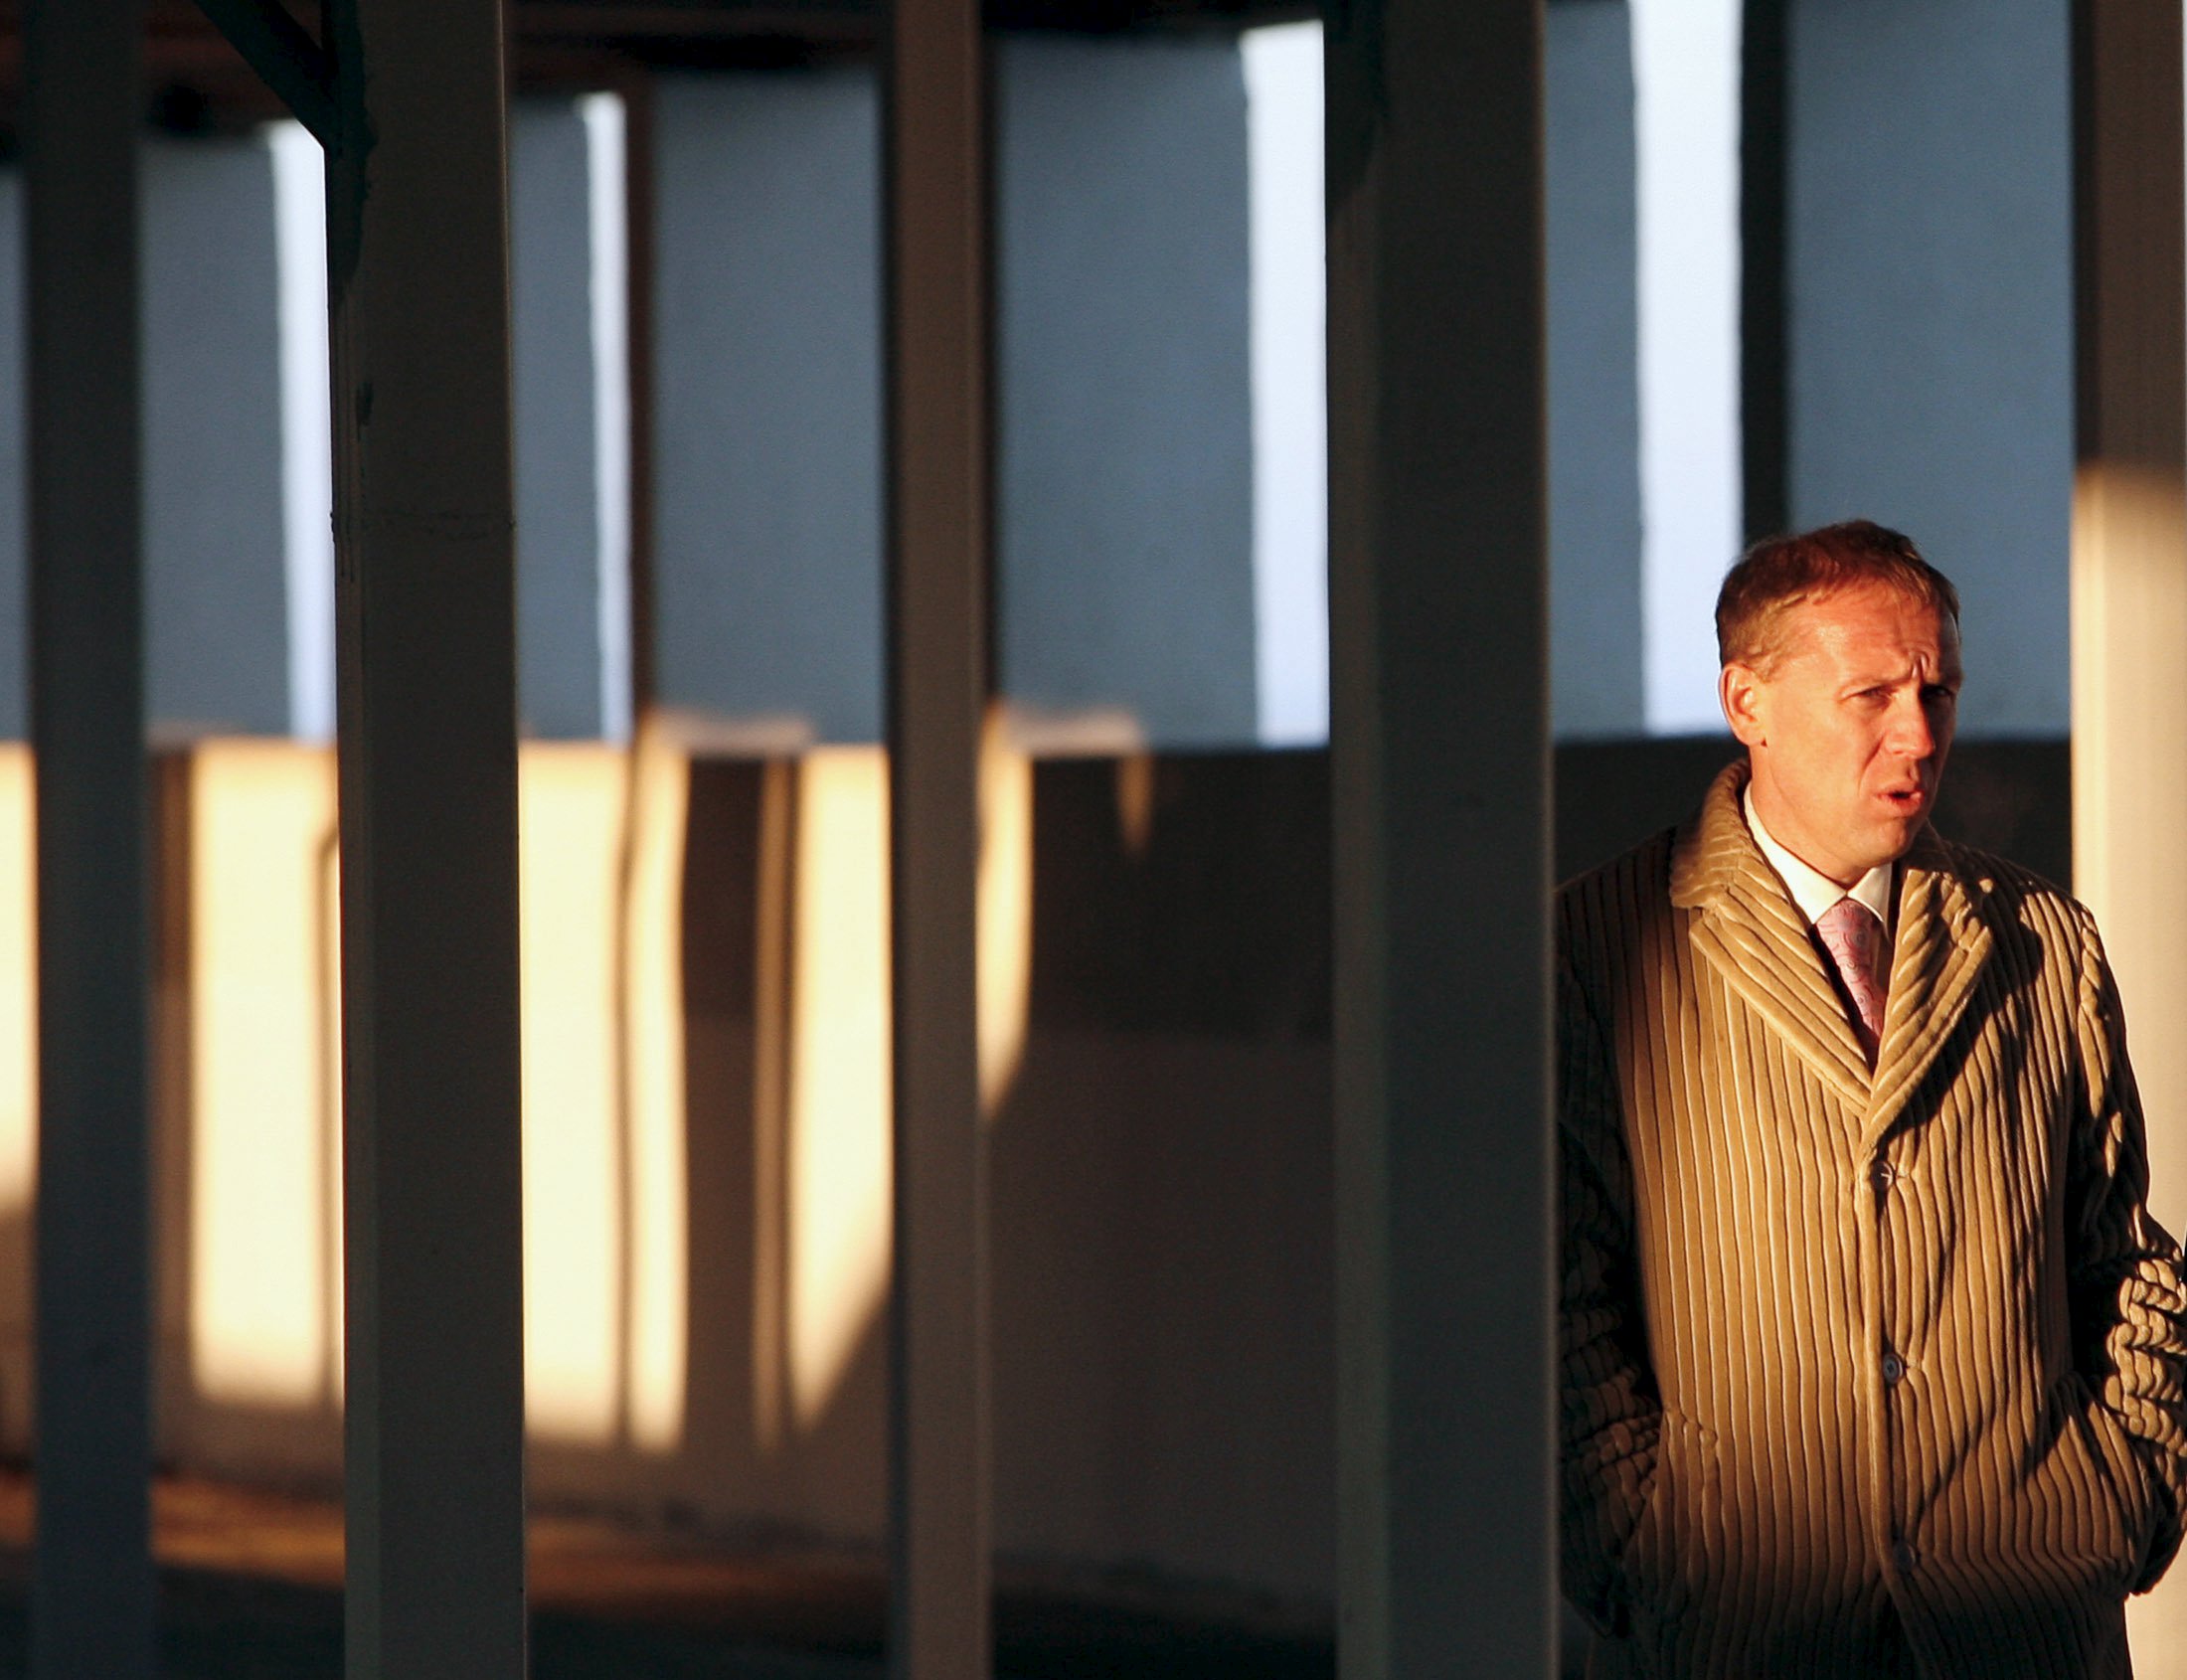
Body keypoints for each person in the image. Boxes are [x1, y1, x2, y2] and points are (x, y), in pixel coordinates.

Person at [1558, 520, 2187, 1677]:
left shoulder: (2042, 942)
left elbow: (2122, 1255)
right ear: (1745, 701)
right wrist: (1645, 1550)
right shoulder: (1598, 946)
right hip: (1736, 1633)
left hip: (2023, 1630)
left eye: (1937, 690)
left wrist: (2114, 1501)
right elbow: (1561, 1289)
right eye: (1871, 695)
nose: (1919, 733)